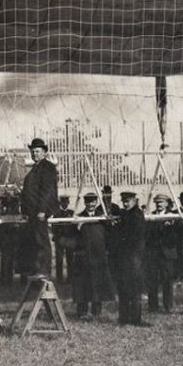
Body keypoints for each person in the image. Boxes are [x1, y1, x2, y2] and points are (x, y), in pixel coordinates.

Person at [19, 138, 60, 281]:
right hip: (32, 213)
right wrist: (24, 211)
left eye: (37, 151)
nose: (34, 154)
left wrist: (43, 210)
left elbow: (47, 190)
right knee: (33, 241)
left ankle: (44, 269)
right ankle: (36, 269)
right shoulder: (35, 169)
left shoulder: (47, 167)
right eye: (32, 151)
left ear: (44, 153)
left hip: (40, 212)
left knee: (42, 240)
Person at [70, 192, 115, 320]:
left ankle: (97, 311)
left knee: (97, 283)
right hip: (83, 256)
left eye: (93, 202)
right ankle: (82, 312)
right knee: (82, 284)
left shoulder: (102, 218)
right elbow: (72, 237)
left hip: (98, 256)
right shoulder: (78, 218)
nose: (90, 204)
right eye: (88, 202)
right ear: (85, 203)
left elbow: (109, 235)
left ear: (96, 203)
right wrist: (76, 226)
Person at [114, 191, 150, 326]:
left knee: (134, 288)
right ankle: (123, 317)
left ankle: (135, 319)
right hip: (125, 256)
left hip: (134, 256)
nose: (125, 203)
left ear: (135, 200)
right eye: (123, 201)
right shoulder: (125, 214)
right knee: (123, 287)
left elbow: (135, 237)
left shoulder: (137, 215)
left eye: (128, 201)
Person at [145, 194, 177, 313]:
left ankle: (168, 306)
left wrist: (169, 227)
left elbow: (176, 235)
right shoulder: (151, 216)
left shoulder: (173, 216)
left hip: (167, 253)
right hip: (154, 253)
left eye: (161, 202)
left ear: (167, 203)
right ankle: (153, 307)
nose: (159, 204)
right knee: (152, 280)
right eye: (157, 202)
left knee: (167, 280)